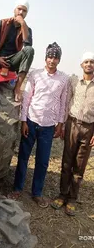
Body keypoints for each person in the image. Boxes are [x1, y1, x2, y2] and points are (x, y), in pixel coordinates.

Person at [11, 42, 69, 207]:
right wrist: (23, 121)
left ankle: (37, 193)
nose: (52, 60)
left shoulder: (64, 79)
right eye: (50, 56)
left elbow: (63, 102)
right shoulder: (35, 74)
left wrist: (60, 124)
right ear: (45, 58)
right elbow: (27, 97)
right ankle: (17, 188)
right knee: (23, 157)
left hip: (49, 126)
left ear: (59, 60)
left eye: (55, 57)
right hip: (31, 121)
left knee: (43, 161)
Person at [51, 52, 94, 216]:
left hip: (89, 128)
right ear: (81, 65)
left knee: (80, 166)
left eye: (92, 62)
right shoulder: (74, 82)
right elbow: (66, 102)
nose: (89, 64)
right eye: (86, 62)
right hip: (72, 125)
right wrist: (61, 125)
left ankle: (72, 199)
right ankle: (62, 195)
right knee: (66, 162)